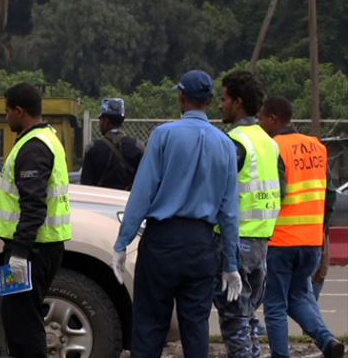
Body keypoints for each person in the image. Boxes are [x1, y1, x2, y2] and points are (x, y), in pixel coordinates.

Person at [112, 69, 240, 358]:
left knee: (149, 325)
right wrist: (231, 263)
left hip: (161, 242)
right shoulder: (225, 145)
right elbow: (229, 211)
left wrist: (123, 243)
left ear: (182, 98)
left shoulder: (163, 135)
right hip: (201, 245)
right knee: (195, 327)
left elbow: (141, 195)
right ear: (209, 101)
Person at [257, 96, 344, 358]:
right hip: (311, 242)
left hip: (281, 241)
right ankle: (327, 341)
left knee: (274, 305)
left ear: (273, 119)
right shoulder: (316, 147)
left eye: (261, 118)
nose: (259, 123)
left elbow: (276, 194)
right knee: (296, 298)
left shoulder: (274, 148)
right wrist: (321, 230)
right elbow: (330, 195)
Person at [0, 83, 71, 358]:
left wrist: (20, 254)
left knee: (24, 323)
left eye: (7, 111)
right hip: (33, 248)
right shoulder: (45, 138)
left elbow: (33, 206)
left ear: (19, 111)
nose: (6, 117)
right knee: (16, 319)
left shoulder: (33, 148)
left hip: (31, 250)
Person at [214, 70, 282, 358]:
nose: (219, 105)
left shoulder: (235, 143)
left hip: (235, 245)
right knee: (248, 318)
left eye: (224, 98)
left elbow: (216, 194)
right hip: (261, 246)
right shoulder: (269, 142)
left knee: (234, 320)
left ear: (238, 102)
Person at [79, 98, 145, 190]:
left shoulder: (93, 148)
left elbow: (85, 185)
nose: (100, 124)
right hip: (128, 201)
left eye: (101, 120)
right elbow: (144, 183)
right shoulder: (137, 146)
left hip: (100, 201)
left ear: (106, 121)